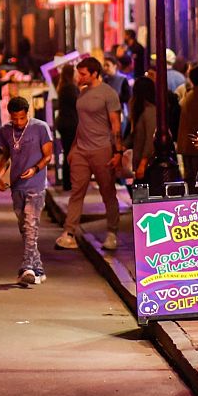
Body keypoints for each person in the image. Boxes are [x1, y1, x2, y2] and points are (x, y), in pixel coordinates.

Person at [57, 57, 123, 252]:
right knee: (77, 192)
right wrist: (73, 148)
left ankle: (112, 233)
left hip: (102, 149)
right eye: (79, 73)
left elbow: (115, 125)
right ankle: (69, 233)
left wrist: (118, 151)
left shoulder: (108, 94)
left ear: (94, 73)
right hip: (81, 151)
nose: (80, 76)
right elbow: (82, 124)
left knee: (107, 192)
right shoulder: (82, 93)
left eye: (84, 73)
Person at [0, 96, 55, 286]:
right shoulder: (5, 131)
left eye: (22, 118)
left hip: (36, 185)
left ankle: (27, 267)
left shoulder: (40, 127)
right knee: (25, 228)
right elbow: (6, 155)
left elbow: (48, 156)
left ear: (27, 114)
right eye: (15, 119)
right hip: (17, 186)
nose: (19, 122)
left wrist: (35, 169)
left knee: (31, 225)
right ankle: (38, 268)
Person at [176, 65, 198, 186]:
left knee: (190, 181)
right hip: (197, 147)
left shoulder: (189, 95)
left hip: (187, 146)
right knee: (197, 183)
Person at [128, 75, 161, 191]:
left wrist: (143, 163)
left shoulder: (149, 112)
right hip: (145, 164)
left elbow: (150, 140)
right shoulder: (144, 111)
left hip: (149, 165)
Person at [53, 65, 79, 192]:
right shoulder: (70, 88)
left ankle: (67, 183)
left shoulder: (63, 87)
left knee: (68, 152)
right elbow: (78, 103)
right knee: (71, 153)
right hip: (70, 124)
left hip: (64, 123)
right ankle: (69, 183)